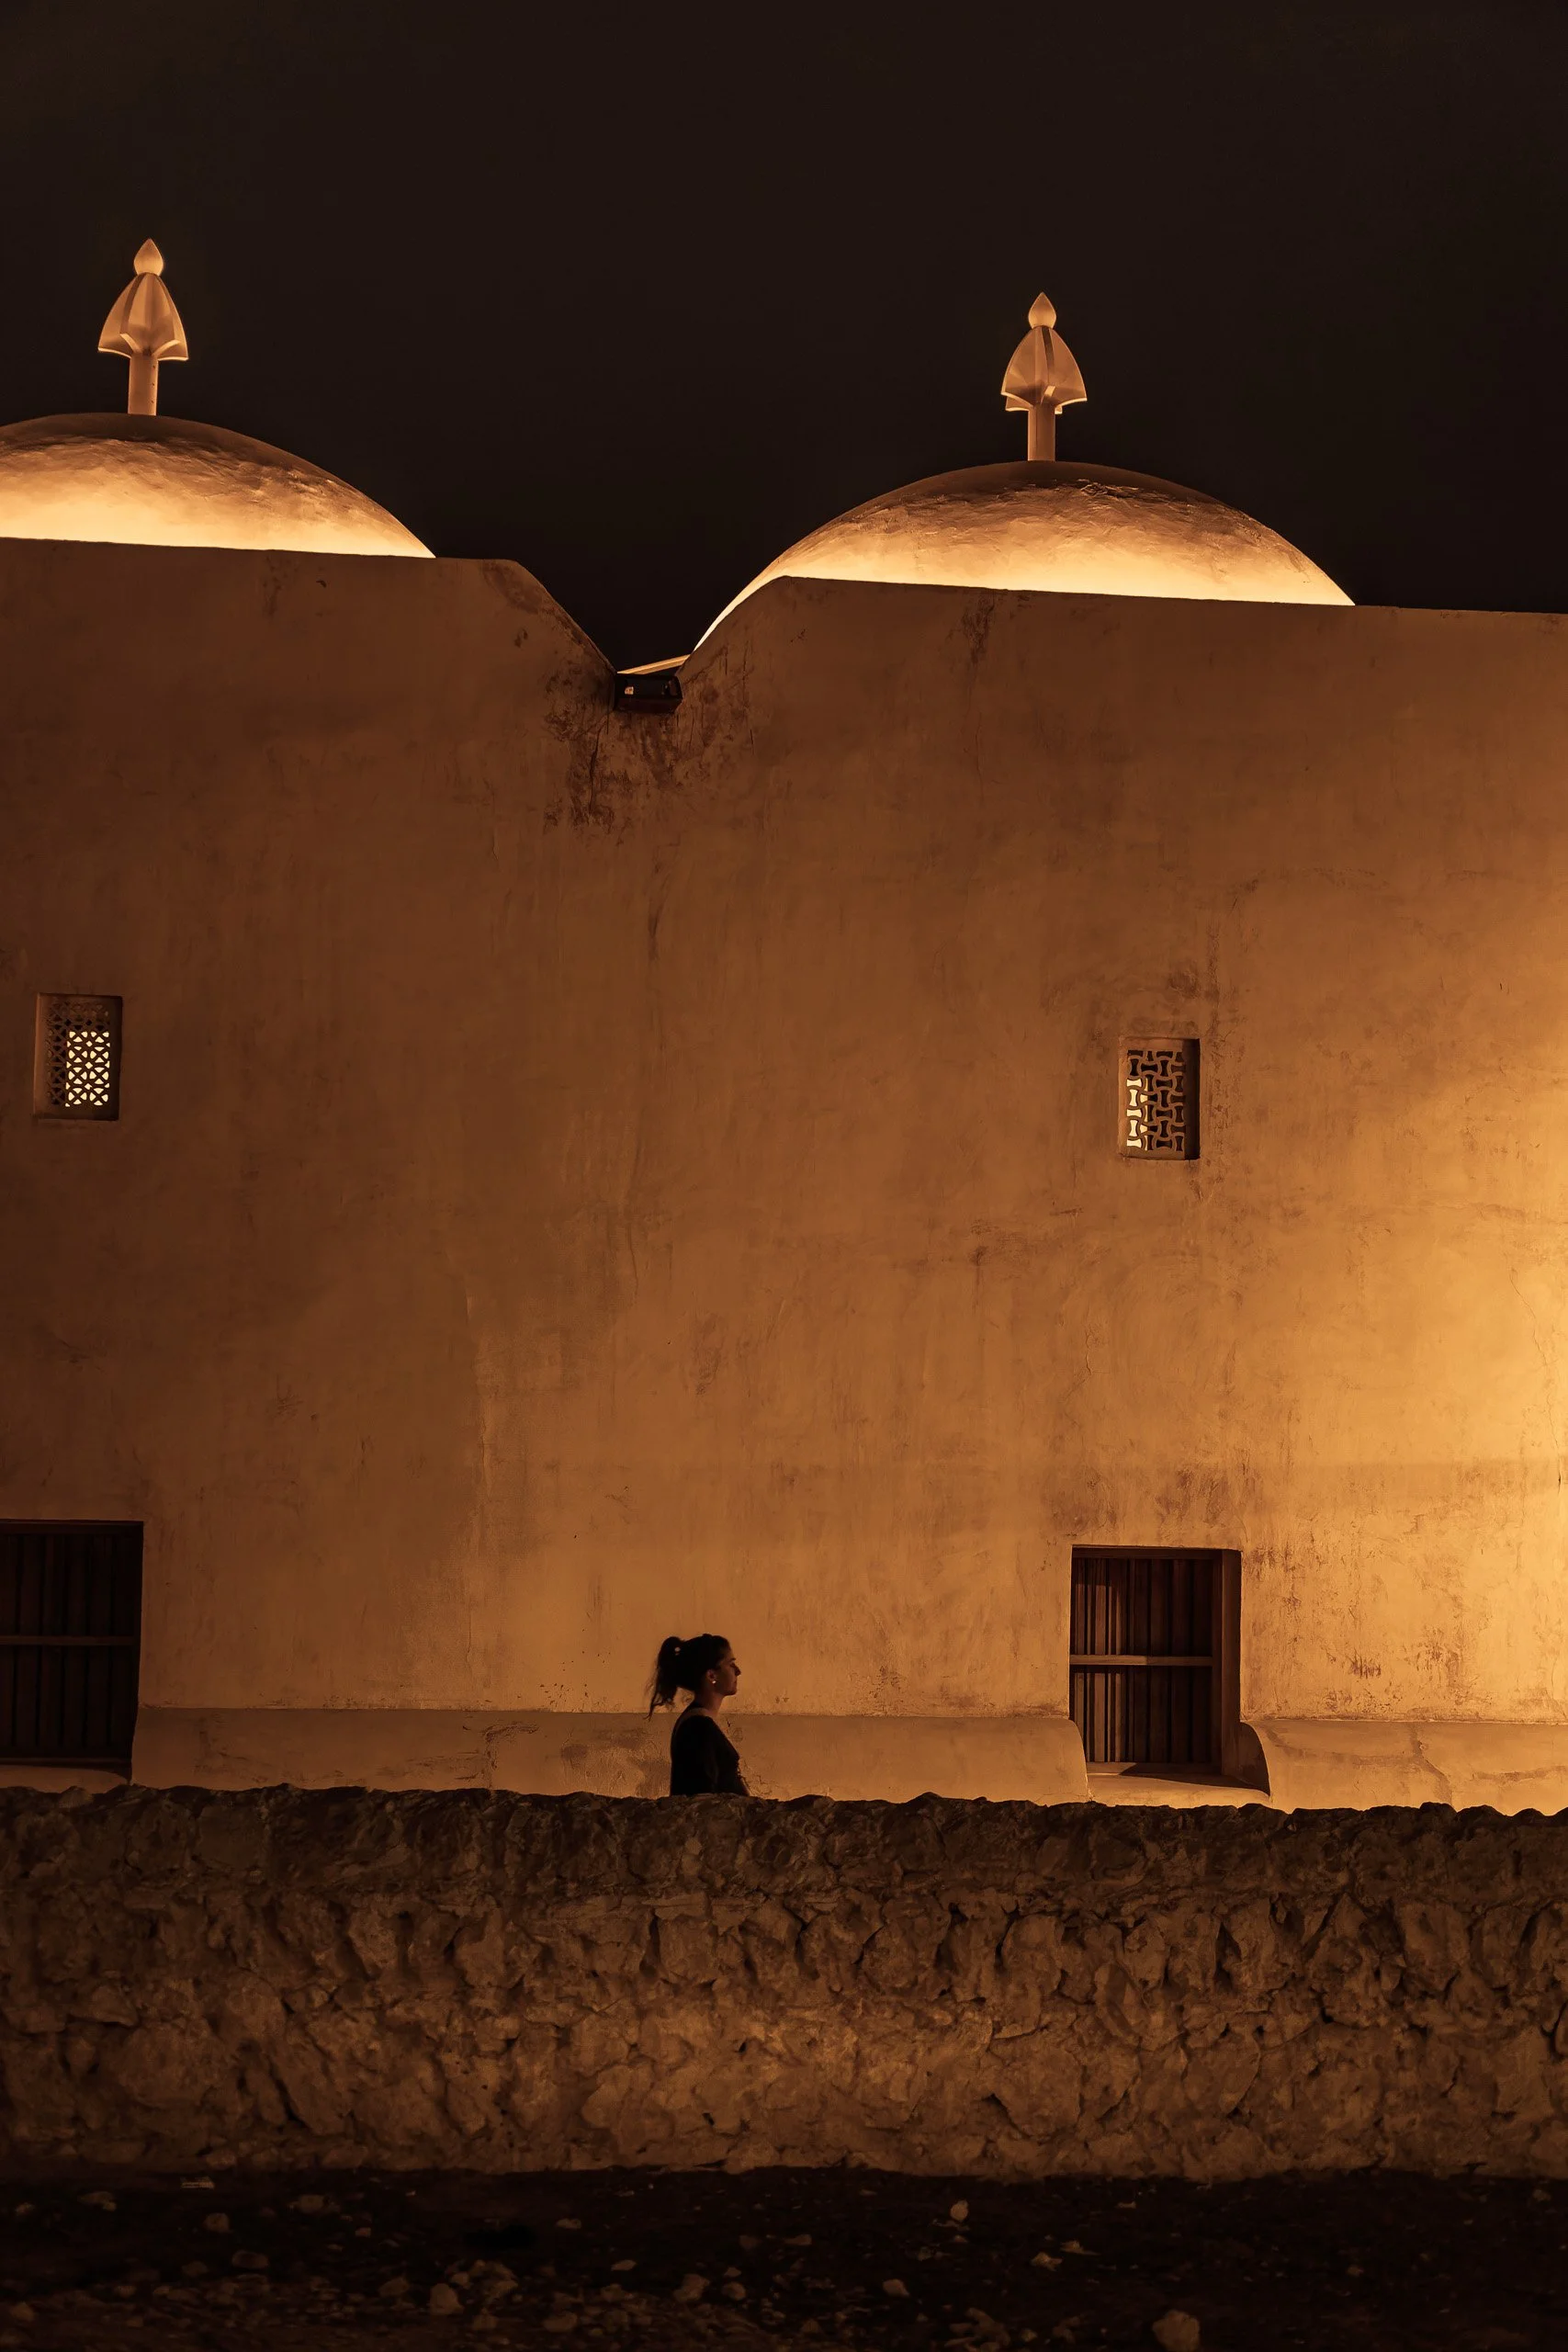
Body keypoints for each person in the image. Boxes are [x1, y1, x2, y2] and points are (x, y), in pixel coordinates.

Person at [649, 1633, 748, 1794]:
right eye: (731, 1664)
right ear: (711, 1675)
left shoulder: (699, 1723)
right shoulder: (698, 1728)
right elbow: (702, 1796)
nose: (738, 1671)